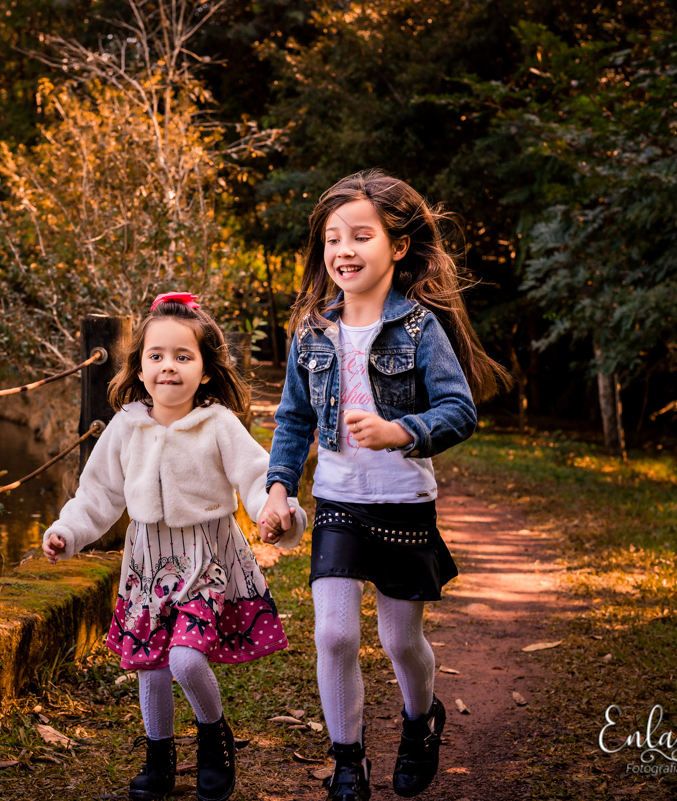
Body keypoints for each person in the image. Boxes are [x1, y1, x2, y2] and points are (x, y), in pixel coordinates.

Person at [258, 170, 510, 801]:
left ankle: (420, 720)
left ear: (397, 247)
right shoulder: (313, 332)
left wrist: (401, 431)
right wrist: (278, 487)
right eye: (332, 238)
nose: (343, 250)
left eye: (360, 236)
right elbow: (292, 418)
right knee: (335, 634)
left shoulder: (421, 329)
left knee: (401, 640)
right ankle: (348, 760)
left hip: (403, 503)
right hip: (339, 502)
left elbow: (460, 411)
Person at [43, 292, 307, 801]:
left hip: (205, 557)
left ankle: (214, 737)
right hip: (145, 560)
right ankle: (158, 757)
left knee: (185, 660)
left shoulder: (218, 424)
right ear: (139, 368)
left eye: (183, 357)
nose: (169, 367)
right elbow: (98, 493)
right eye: (157, 356)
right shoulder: (126, 426)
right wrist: (67, 531)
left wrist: (276, 511)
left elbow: (257, 477)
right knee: (153, 663)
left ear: (205, 370)